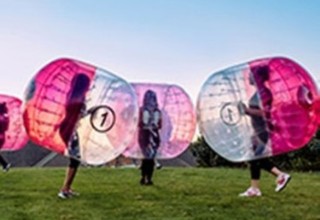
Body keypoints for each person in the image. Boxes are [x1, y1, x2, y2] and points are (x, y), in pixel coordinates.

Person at [239, 66, 291, 197]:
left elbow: (266, 113)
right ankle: (254, 189)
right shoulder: (259, 93)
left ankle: (280, 175)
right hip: (258, 131)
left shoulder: (264, 93)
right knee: (256, 159)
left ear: (258, 77)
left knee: (256, 158)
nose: (249, 77)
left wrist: (247, 111)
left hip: (263, 131)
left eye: (251, 74)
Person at [58, 73, 91, 199]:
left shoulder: (73, 96)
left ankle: (67, 188)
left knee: (75, 160)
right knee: (74, 160)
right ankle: (64, 190)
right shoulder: (78, 98)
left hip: (68, 129)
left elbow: (78, 114)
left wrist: (89, 111)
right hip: (69, 130)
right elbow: (79, 114)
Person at [138, 90, 162, 185]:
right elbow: (139, 123)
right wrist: (146, 125)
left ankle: (148, 178)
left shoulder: (158, 111)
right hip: (145, 135)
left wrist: (155, 125)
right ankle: (144, 178)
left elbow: (160, 125)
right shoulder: (142, 110)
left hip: (154, 136)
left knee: (150, 158)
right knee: (146, 157)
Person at [0, 102, 10, 172]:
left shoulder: (1, 118)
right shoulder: (5, 117)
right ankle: (5, 164)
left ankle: (5, 164)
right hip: (2, 137)